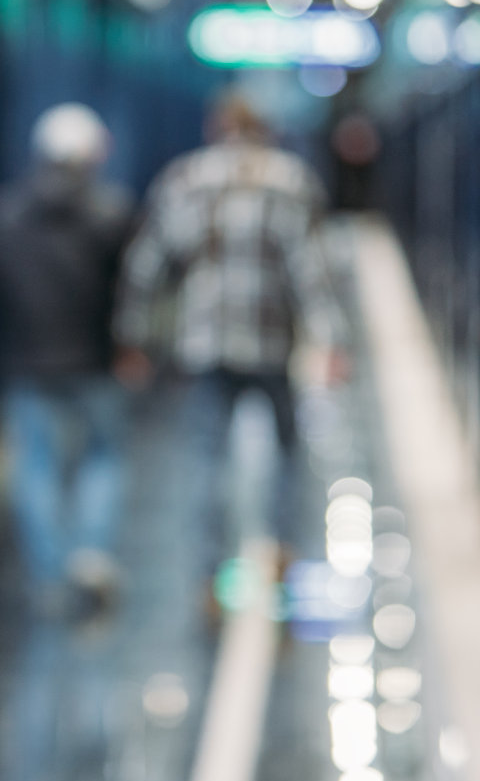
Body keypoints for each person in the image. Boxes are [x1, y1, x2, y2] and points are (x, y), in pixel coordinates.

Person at [113, 91, 348, 597]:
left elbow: (148, 264)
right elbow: (310, 270)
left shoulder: (185, 179)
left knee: (207, 458)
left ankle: (209, 569)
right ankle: (282, 549)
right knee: (287, 452)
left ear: (215, 128)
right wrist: (330, 341)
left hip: (205, 345)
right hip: (272, 343)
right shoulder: (290, 181)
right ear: (266, 130)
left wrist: (134, 337)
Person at [0, 104, 133, 615]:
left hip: (27, 359)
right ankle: (90, 554)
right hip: (96, 359)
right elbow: (128, 290)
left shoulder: (4, 212)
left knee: (37, 466)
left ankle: (49, 575)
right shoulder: (112, 213)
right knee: (102, 456)